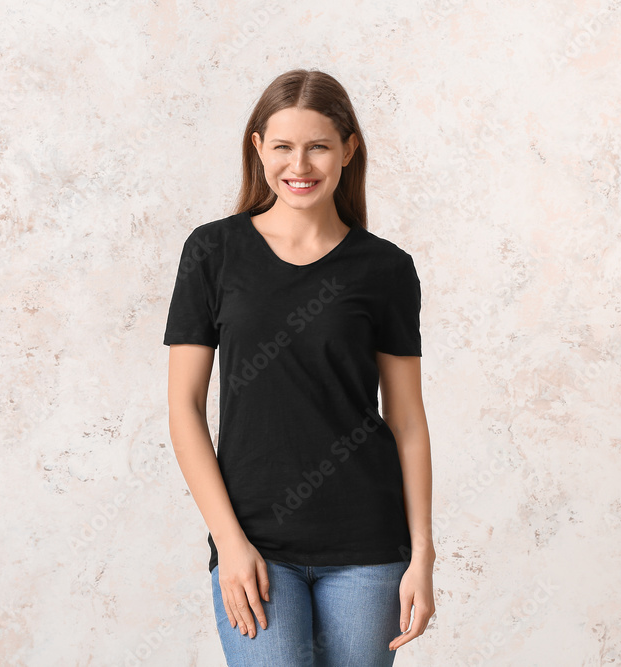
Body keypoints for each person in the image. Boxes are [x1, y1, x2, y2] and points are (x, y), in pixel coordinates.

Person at [163, 68, 435, 666]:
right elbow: (184, 407)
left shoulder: (385, 269)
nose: (300, 164)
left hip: (368, 546)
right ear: (258, 148)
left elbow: (408, 421)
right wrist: (228, 543)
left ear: (348, 149)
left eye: (318, 146)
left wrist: (422, 556)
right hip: (255, 544)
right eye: (283, 146)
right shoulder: (212, 252)